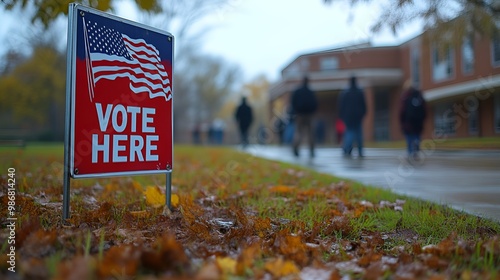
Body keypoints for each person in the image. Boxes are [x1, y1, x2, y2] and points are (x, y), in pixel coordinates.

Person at [338, 76, 366, 157]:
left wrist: (342, 116)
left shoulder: (345, 92)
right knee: (359, 134)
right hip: (358, 116)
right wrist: (362, 113)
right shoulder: (359, 92)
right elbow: (364, 105)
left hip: (348, 117)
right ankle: (360, 150)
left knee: (349, 133)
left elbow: (341, 106)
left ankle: (347, 149)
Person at [399, 80, 427, 161]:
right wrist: (422, 118)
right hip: (418, 121)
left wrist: (402, 121)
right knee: (417, 136)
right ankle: (416, 151)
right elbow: (425, 109)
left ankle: (410, 152)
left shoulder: (405, 96)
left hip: (408, 121)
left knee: (409, 137)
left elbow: (402, 110)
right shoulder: (419, 95)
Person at [291, 76, 318, 157]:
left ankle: (296, 148)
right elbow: (315, 103)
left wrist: (296, 111)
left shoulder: (297, 91)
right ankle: (312, 150)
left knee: (299, 132)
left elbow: (293, 102)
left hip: (299, 114)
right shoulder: (310, 92)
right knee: (310, 133)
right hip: (309, 115)